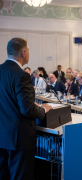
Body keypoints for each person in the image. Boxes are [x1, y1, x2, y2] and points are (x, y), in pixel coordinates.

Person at [0, 37, 52, 180]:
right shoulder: (22, 75)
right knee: (20, 176)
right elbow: (27, 109)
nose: (29, 53)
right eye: (28, 51)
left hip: (2, 134)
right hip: (19, 137)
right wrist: (43, 109)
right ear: (23, 52)